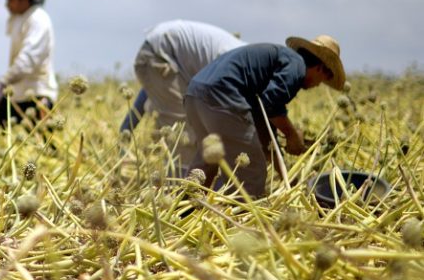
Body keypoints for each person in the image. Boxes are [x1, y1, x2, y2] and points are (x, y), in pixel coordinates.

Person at [183, 35, 345, 198]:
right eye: (323, 80)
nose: (318, 85)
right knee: (251, 172)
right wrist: (291, 135)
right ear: (321, 68)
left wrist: (288, 178)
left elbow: (265, 131)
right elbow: (271, 104)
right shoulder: (297, 65)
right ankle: (237, 217)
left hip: (195, 95)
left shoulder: (278, 62)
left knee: (208, 160)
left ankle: (186, 209)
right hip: (223, 97)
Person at [119, 20, 245, 166]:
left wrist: (127, 127)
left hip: (159, 48)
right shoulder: (242, 66)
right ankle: (178, 185)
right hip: (159, 52)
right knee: (182, 135)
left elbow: (154, 86)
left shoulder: (243, 56)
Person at [0, 0, 57, 140]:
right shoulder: (18, 19)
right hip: (17, 93)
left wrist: (2, 84)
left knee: (43, 144)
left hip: (37, 94)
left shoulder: (38, 20)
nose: (7, 4)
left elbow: (27, 60)